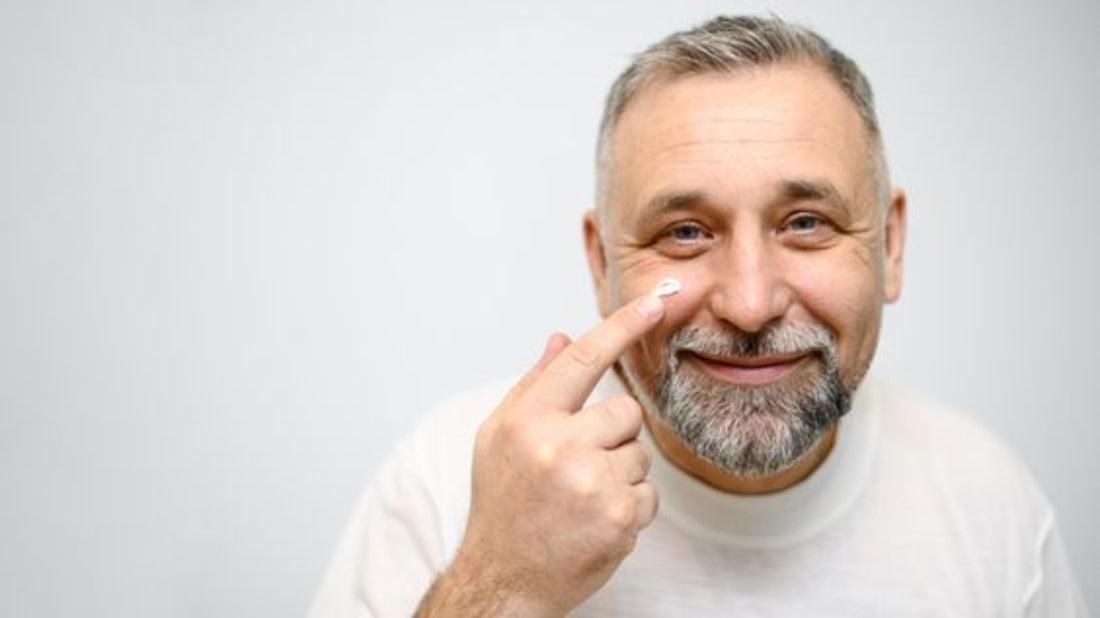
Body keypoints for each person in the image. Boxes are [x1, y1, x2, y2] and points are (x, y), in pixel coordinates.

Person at [308, 15, 1087, 617]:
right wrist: (502, 581)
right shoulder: (449, 479)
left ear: (890, 243)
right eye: (685, 232)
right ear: (599, 263)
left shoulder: (989, 502)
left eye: (807, 222)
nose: (749, 304)